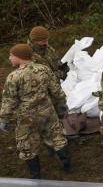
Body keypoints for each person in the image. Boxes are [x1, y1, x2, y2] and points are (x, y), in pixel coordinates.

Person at [0, 44, 71, 178]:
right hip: (47, 111)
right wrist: (62, 103)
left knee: (26, 144)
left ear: (19, 57)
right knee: (56, 137)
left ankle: (35, 174)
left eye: (11, 56)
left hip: (27, 117)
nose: (9, 58)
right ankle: (67, 164)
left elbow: (9, 101)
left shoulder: (14, 77)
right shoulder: (44, 69)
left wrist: (3, 119)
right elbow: (56, 89)